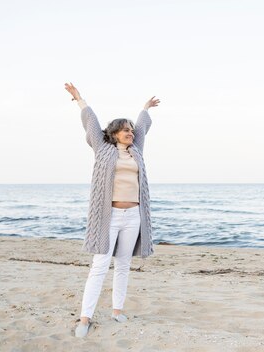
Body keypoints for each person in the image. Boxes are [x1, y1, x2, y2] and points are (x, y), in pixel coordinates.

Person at [64, 82, 159, 338]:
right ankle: (85, 318)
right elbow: (92, 124)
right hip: (110, 216)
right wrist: (79, 99)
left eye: (131, 130)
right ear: (114, 133)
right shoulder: (103, 149)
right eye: (125, 130)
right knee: (100, 265)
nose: (130, 133)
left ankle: (117, 311)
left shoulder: (136, 150)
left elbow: (142, 129)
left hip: (134, 217)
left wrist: (145, 108)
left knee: (123, 264)